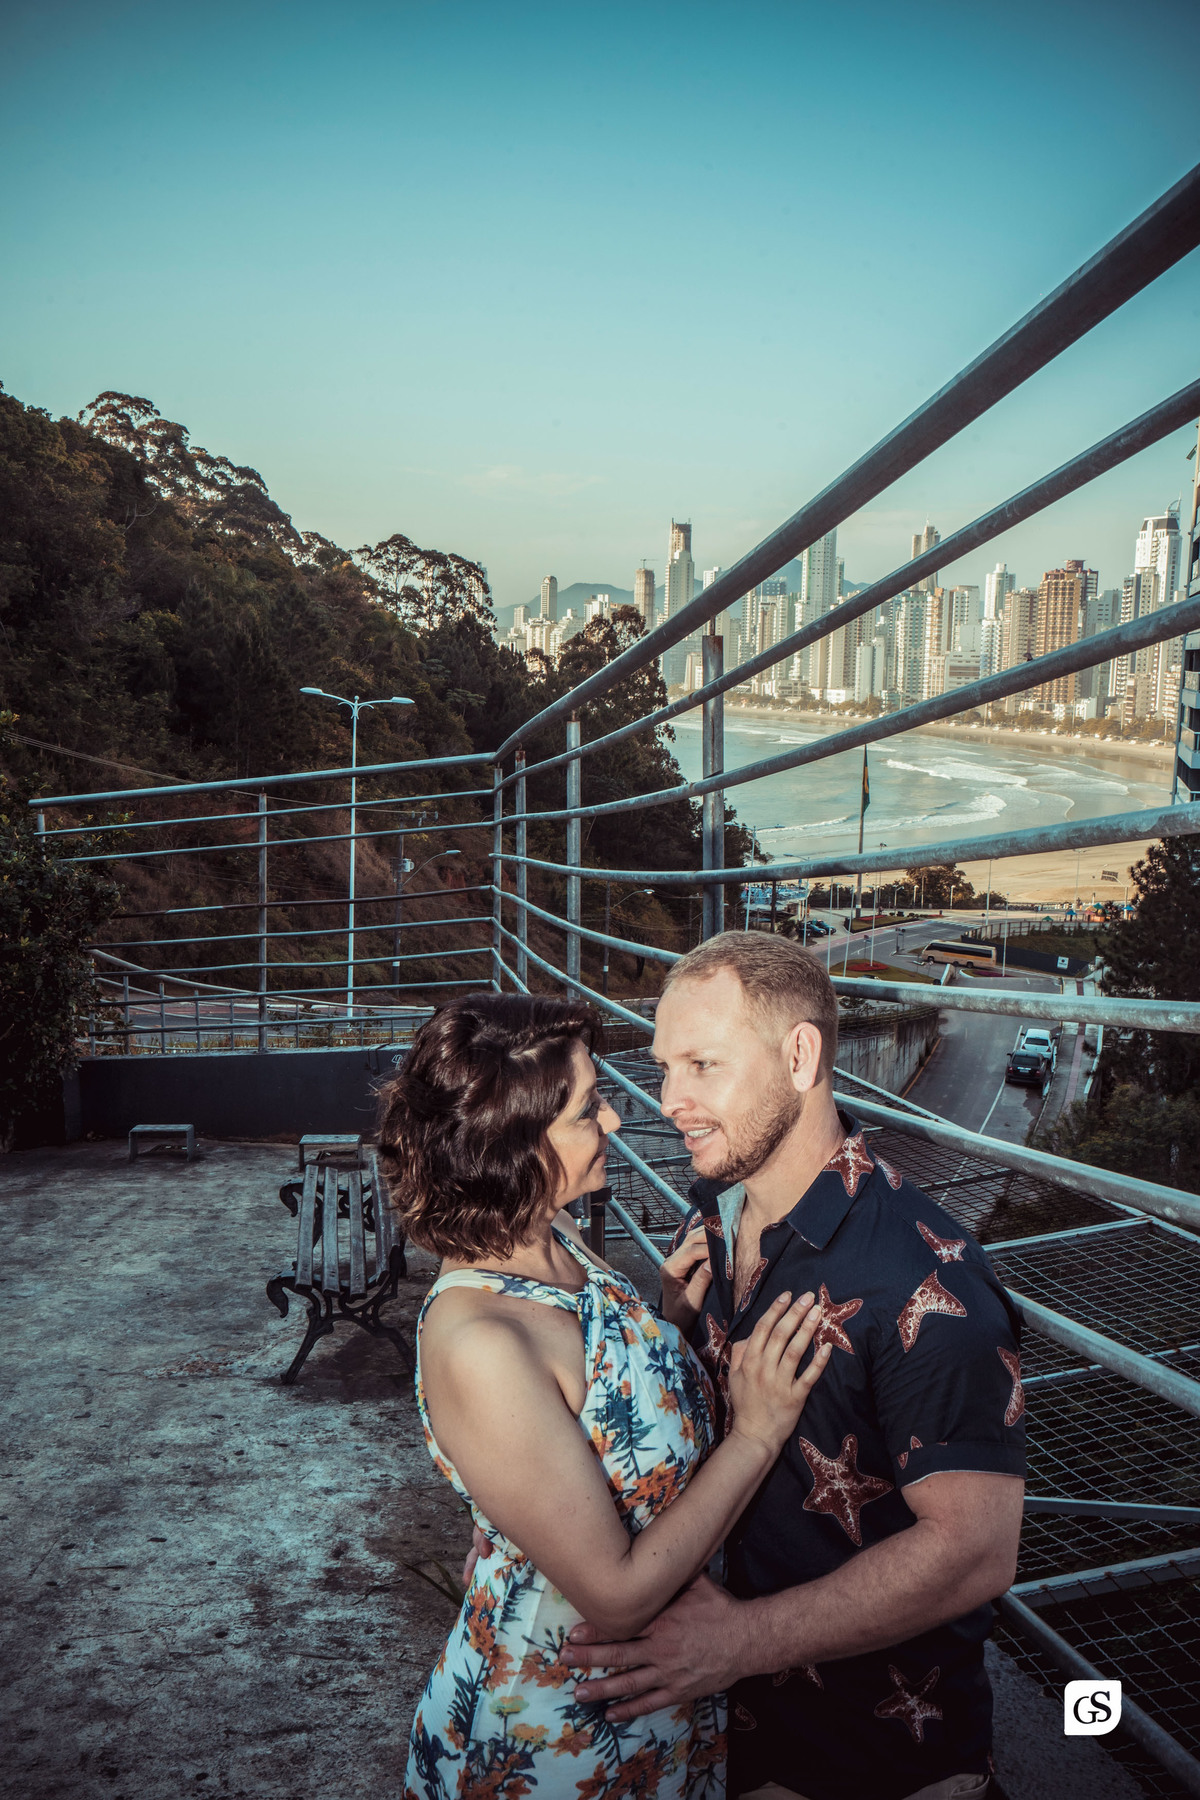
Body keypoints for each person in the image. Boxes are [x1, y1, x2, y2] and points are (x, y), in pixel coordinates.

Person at [566, 934, 1026, 1800]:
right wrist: (671, 1335)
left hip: (872, 1764)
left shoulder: (928, 1281)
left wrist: (738, 1642)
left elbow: (975, 1553)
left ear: (801, 1054)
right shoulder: (706, 1225)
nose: (671, 1100)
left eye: (703, 1064)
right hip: (718, 1743)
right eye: (667, 1067)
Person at [377, 991, 831, 1800]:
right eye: (590, 1110)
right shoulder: (480, 1339)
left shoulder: (551, 1240)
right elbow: (617, 1598)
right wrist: (756, 1436)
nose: (617, 1123)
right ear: (515, 1144)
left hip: (647, 1713)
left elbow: (592, 1408)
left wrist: (667, 1319)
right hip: (556, 1737)